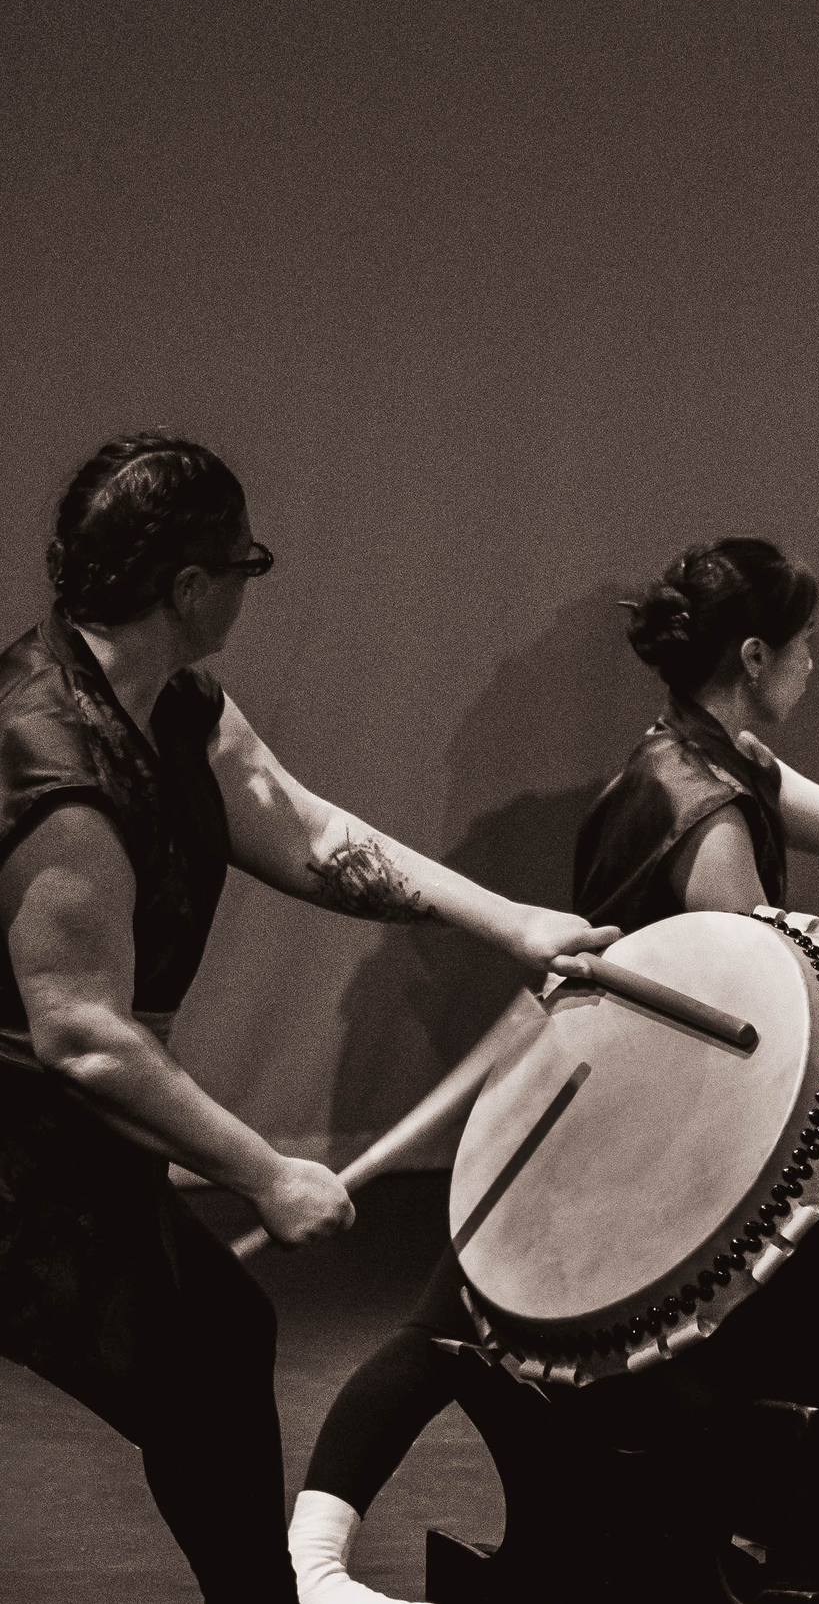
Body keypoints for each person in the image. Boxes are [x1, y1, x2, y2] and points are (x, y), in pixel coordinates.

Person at [291, 536, 819, 1604]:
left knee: (460, 1325)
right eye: (803, 644)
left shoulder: (711, 760)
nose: (813, 664)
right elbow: (758, 1023)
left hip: (630, 1104)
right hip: (630, 1125)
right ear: (753, 655)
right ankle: (313, 1566)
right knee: (452, 1325)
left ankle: (334, 1560)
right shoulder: (706, 804)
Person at [0, 434, 618, 1604]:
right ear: (190, 587)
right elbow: (80, 1034)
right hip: (22, 1156)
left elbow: (305, 830)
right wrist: (269, 1173)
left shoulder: (172, 706)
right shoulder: (53, 764)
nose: (249, 585)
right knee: (210, 1354)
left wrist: (512, 923)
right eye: (245, 564)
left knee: (217, 1347)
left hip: (67, 1144)